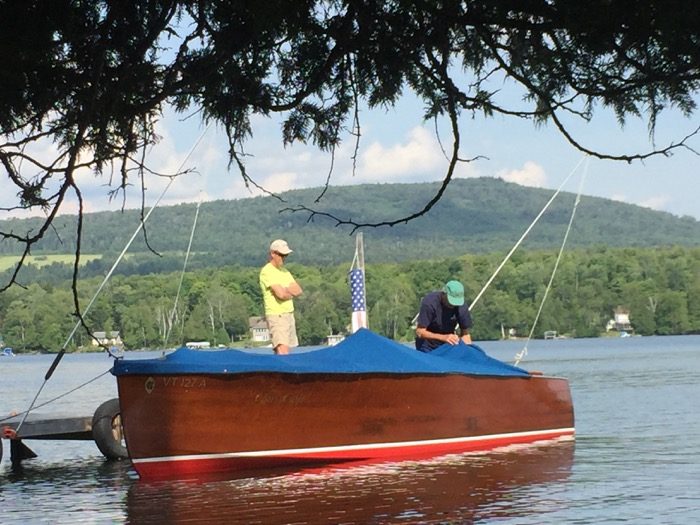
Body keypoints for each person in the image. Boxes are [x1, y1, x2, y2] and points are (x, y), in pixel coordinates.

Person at [259, 239, 303, 355]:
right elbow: (281, 294)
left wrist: (285, 290)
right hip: (277, 315)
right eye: (281, 255)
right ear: (273, 253)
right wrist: (287, 291)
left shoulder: (285, 271)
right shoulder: (267, 271)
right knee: (282, 350)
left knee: (288, 350)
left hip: (289, 313)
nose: (283, 258)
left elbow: (298, 290)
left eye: (285, 255)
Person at [415, 280, 473, 352]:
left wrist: (469, 351)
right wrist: (443, 337)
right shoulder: (430, 303)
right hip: (427, 346)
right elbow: (420, 332)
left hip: (448, 346)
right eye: (451, 301)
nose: (453, 305)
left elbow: (465, 335)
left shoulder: (461, 307)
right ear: (444, 294)